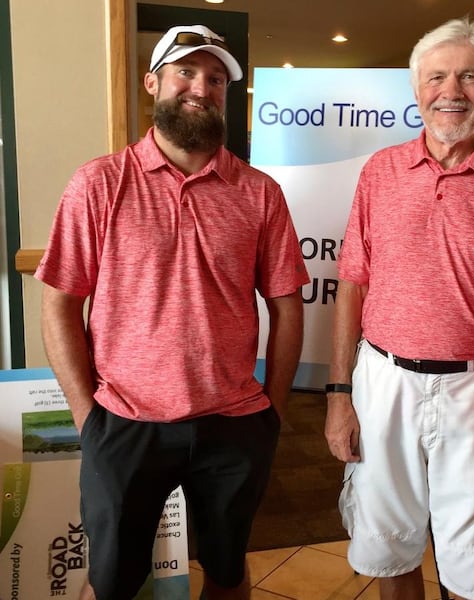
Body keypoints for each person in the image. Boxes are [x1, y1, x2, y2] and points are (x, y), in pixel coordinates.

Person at [35, 25, 308, 600]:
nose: (201, 88)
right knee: (112, 583)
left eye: (215, 79)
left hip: (234, 423)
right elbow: (60, 302)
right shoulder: (99, 184)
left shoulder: (259, 193)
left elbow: (287, 305)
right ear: (152, 82)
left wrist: (271, 414)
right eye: (186, 72)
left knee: (229, 573)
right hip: (125, 422)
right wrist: (91, 419)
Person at [323, 16, 474, 600]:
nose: (452, 92)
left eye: (469, 77)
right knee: (387, 542)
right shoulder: (379, 173)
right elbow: (352, 284)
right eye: (437, 77)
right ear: (417, 89)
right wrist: (339, 397)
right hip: (383, 382)